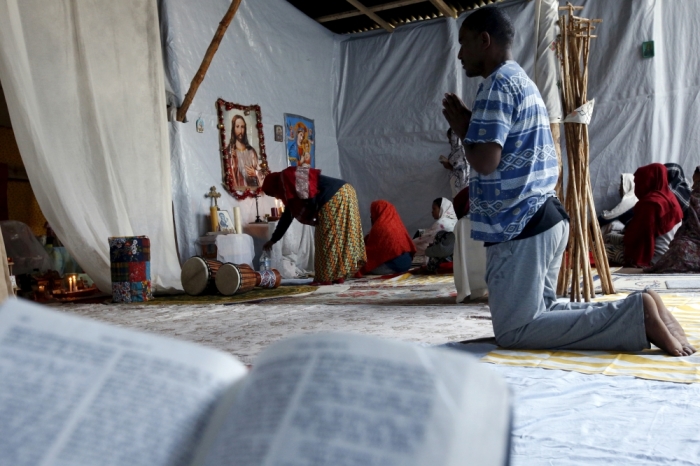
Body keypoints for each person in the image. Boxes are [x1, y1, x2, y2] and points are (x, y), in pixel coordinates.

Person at [441, 6, 694, 356]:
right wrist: (472, 126)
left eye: (463, 43)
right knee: (540, 313)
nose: (459, 54)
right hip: (545, 218)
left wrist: (462, 128)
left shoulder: (495, 85)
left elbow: (485, 161)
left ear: (484, 41)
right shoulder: (522, 83)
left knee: (515, 330)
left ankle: (637, 317)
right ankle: (641, 305)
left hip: (519, 227)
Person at [262, 167, 366, 285]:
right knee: (342, 237)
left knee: (326, 239)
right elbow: (287, 217)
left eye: (273, 193)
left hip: (334, 195)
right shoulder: (289, 187)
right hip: (347, 191)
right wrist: (273, 240)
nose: (276, 197)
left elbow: (309, 196)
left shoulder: (289, 176)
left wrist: (314, 213)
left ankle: (326, 279)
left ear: (275, 185)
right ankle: (338, 276)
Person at [624, 163, 684, 267]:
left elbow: (637, 239)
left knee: (603, 250)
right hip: (673, 256)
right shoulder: (670, 198)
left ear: (647, 181)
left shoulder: (650, 204)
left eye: (638, 182)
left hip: (655, 259)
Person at [646, 166, 700, 273]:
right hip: (693, 242)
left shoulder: (660, 200)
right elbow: (690, 224)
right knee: (681, 248)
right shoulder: (693, 196)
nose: (693, 185)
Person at [358, 200, 415, 276]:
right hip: (407, 263)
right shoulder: (397, 224)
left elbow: (372, 253)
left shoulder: (380, 228)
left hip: (394, 266)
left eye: (372, 213)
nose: (371, 217)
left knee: (362, 265)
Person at [228, 115, 263, 187]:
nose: (240, 131)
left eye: (242, 127)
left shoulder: (251, 151)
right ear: (233, 129)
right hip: (238, 190)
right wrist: (234, 165)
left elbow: (260, 171)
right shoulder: (230, 151)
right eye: (237, 126)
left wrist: (255, 173)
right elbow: (229, 174)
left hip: (252, 190)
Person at [440, 128, 470, 198]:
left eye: (450, 138)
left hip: (464, 191)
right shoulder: (458, 153)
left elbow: (464, 173)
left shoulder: (462, 151)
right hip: (461, 190)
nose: (449, 141)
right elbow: (460, 171)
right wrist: (450, 166)